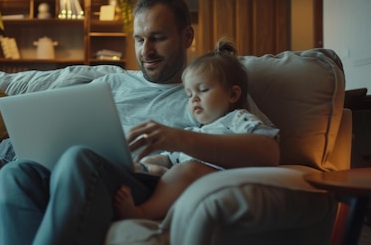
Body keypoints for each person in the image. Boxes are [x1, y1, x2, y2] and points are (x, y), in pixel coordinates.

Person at [0, 0, 280, 245]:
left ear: (187, 37)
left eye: (157, 38)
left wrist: (179, 138)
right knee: (15, 174)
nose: (146, 51)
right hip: (73, 177)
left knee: (78, 158)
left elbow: (269, 153)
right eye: (139, 39)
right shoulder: (109, 83)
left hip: (143, 183)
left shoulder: (209, 90)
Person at [113, 39, 280, 220]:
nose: (194, 99)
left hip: (223, 179)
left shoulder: (239, 118)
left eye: (203, 90)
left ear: (233, 94)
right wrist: (146, 161)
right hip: (184, 182)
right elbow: (171, 157)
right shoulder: (196, 131)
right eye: (189, 94)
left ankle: (141, 212)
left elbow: (267, 142)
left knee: (187, 170)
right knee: (156, 167)